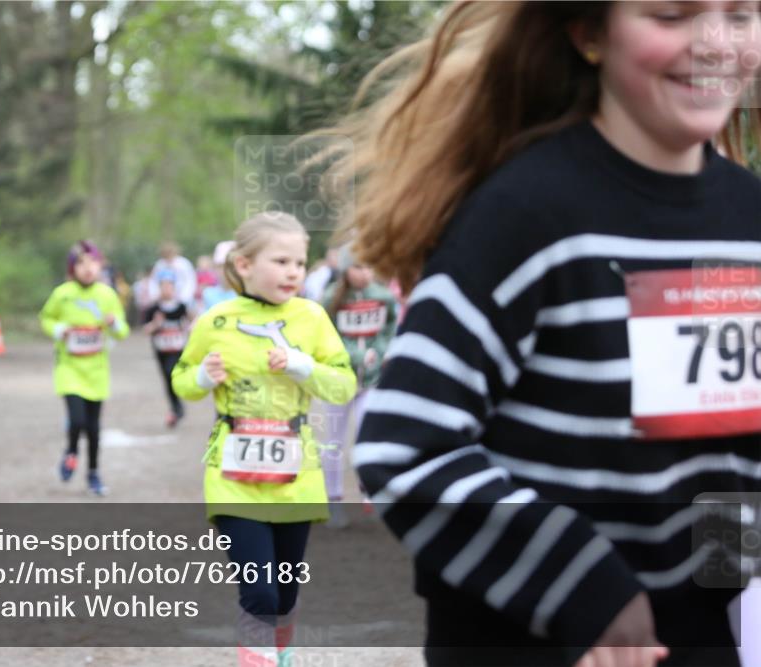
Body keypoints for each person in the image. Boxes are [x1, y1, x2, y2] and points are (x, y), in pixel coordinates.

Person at [316, 2, 761, 667]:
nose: (716, 43)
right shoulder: (526, 213)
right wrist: (591, 593)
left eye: (743, 14)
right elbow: (406, 446)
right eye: (672, 13)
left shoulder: (748, 216)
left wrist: (720, 600)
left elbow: (731, 449)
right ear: (587, 32)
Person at [171, 211, 357, 667]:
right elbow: (181, 381)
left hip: (296, 477)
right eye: (281, 261)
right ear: (244, 264)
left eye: (300, 262)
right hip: (233, 476)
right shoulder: (216, 320)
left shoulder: (312, 318)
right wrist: (199, 375)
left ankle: (281, 653)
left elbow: (344, 385)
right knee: (259, 590)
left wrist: (302, 366)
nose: (294, 271)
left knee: (285, 594)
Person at [39, 240, 130, 496]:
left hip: (97, 372)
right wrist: (59, 330)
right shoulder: (63, 294)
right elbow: (46, 318)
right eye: (80, 263)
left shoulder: (107, 295)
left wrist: (113, 324)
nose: (87, 268)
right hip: (69, 370)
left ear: (100, 265)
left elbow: (123, 331)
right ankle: (70, 451)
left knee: (94, 428)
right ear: (72, 268)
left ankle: (93, 473)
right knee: (76, 419)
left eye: (92, 262)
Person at [319, 244, 398, 526]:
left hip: (371, 380)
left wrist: (380, 349)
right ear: (345, 270)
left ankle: (370, 493)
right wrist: (354, 354)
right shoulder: (331, 298)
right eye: (358, 267)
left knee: (367, 435)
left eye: (368, 267)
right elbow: (324, 337)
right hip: (339, 383)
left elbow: (390, 326)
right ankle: (334, 499)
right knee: (334, 441)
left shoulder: (383, 297)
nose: (364, 273)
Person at [144, 269, 190, 428]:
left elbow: (190, 323)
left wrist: (188, 327)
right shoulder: (154, 308)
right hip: (161, 351)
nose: (167, 289)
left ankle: (177, 408)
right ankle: (175, 408)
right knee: (167, 379)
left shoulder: (181, 307)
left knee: (173, 374)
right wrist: (156, 324)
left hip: (178, 350)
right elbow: (146, 330)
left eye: (169, 286)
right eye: (163, 286)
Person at [149, 241, 198, 310]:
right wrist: (157, 295)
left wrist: (184, 297)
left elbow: (190, 281)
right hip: (164, 301)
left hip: (182, 299)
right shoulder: (159, 265)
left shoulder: (183, 264)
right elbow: (153, 282)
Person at [202, 240, 239, 311]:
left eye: (230, 266)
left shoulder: (246, 294)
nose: (225, 270)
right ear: (214, 267)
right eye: (221, 266)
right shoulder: (208, 293)